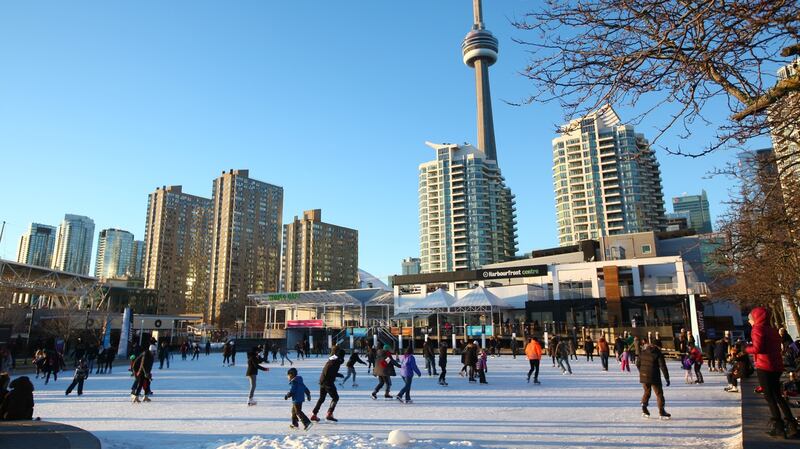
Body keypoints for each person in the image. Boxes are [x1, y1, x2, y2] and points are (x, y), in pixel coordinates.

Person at [746, 307, 799, 438]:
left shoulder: (757, 329)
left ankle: (779, 427)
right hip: (776, 366)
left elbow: (758, 348)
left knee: (770, 397)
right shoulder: (772, 329)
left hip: (764, 366)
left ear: (755, 319)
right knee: (778, 396)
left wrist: (746, 349)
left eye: (750, 319)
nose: (749, 322)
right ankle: (791, 424)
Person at [636, 337, 670, 419]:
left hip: (644, 376)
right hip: (654, 376)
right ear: (658, 346)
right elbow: (663, 366)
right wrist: (667, 378)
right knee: (659, 394)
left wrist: (642, 372)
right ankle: (661, 412)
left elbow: (637, 364)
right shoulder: (658, 353)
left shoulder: (643, 352)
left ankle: (644, 407)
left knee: (647, 392)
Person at [311, 349, 344, 422]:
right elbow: (330, 372)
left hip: (322, 381)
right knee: (335, 398)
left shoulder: (332, 359)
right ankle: (329, 413)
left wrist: (337, 374)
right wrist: (338, 375)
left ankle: (314, 414)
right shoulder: (335, 362)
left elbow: (329, 371)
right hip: (327, 382)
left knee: (321, 398)